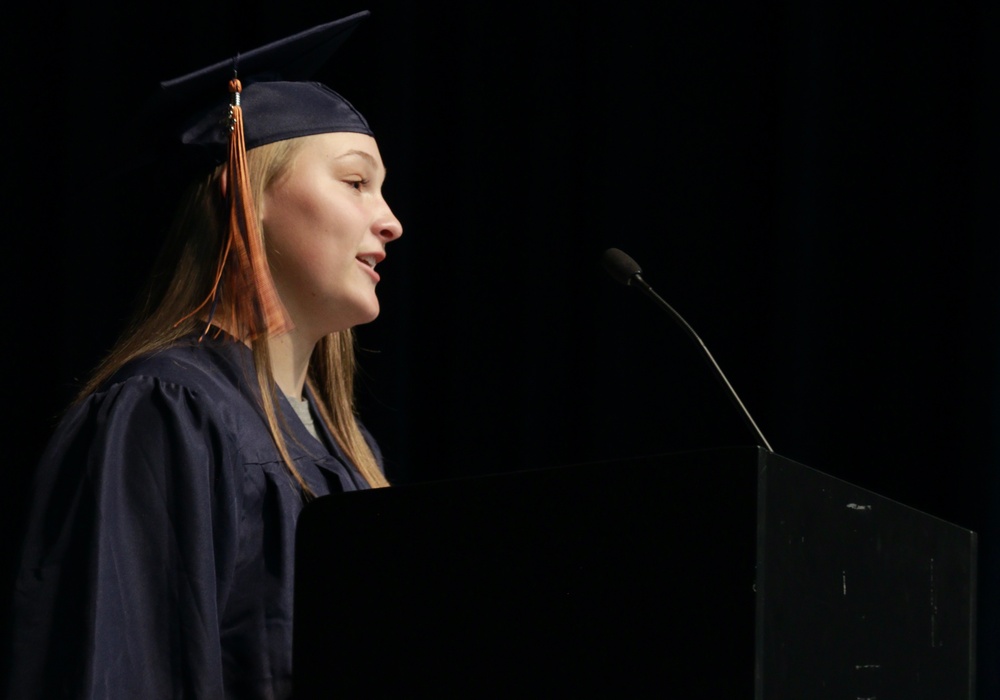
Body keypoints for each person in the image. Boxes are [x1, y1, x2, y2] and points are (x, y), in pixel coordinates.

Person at [5, 10, 402, 699]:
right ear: (246, 192)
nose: (391, 220)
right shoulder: (165, 412)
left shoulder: (349, 448)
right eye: (355, 182)